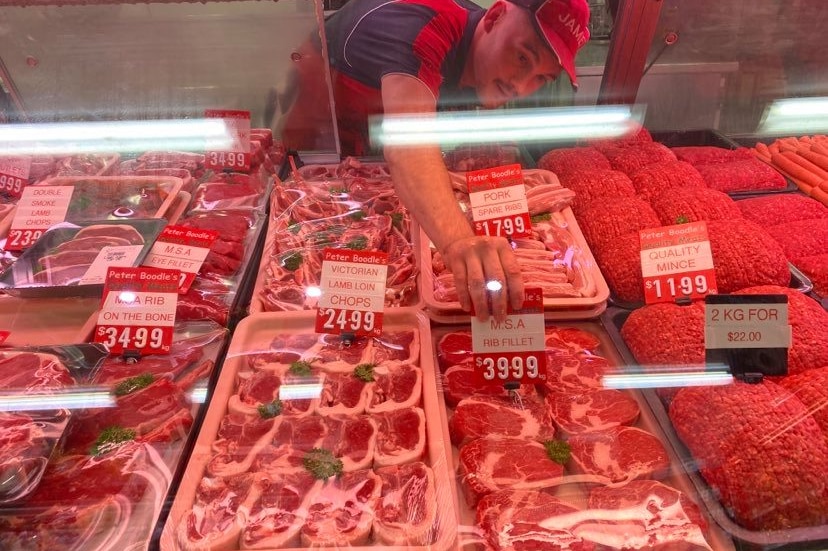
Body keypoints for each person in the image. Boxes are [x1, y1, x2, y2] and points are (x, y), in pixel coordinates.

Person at [281, 0, 590, 321]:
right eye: (523, 58)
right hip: (324, 126)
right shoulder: (422, 24)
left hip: (374, 145)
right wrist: (459, 242)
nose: (521, 86)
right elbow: (407, 146)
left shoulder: (476, 42)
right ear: (495, 16)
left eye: (541, 78)